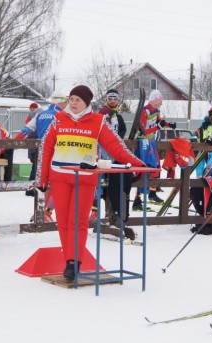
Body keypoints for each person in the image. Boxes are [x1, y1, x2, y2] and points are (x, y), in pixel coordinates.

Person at [37, 85, 145, 281]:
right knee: (63, 222)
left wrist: (137, 163)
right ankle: (68, 260)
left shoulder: (98, 122)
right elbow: (46, 150)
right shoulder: (57, 121)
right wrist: (42, 178)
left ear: (87, 102)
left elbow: (115, 146)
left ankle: (74, 262)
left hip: (85, 179)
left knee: (77, 221)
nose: (74, 103)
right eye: (71, 100)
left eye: (78, 100)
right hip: (59, 176)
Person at [16, 94, 68, 221]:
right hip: (58, 154)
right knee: (59, 185)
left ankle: (39, 212)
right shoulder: (63, 115)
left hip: (42, 154)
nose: (67, 105)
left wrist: (11, 143)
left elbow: (26, 130)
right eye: (66, 102)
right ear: (61, 102)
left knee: (43, 183)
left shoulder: (40, 114)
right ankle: (46, 213)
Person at [96, 89, 133, 234]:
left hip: (115, 150)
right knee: (103, 181)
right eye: (110, 98)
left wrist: (117, 139)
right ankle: (104, 214)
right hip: (104, 151)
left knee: (116, 180)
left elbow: (123, 129)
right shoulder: (103, 113)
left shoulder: (118, 115)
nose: (112, 101)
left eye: (115, 99)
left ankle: (115, 213)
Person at [132, 89, 176, 210]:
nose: (161, 104)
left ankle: (152, 193)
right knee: (143, 171)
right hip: (142, 143)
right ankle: (137, 200)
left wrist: (168, 124)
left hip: (151, 142)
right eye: (160, 102)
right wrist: (158, 126)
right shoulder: (145, 111)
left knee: (155, 168)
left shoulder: (155, 110)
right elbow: (143, 130)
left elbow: (159, 122)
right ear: (154, 102)